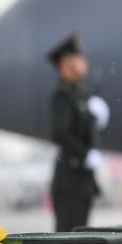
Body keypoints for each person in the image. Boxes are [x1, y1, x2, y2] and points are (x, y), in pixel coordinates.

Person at [47, 33, 107, 232]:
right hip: (69, 179)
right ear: (65, 64)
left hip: (82, 180)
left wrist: (96, 119)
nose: (82, 62)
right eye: (77, 58)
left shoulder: (80, 92)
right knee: (68, 236)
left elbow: (84, 131)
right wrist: (85, 154)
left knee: (80, 235)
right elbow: (59, 133)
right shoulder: (62, 95)